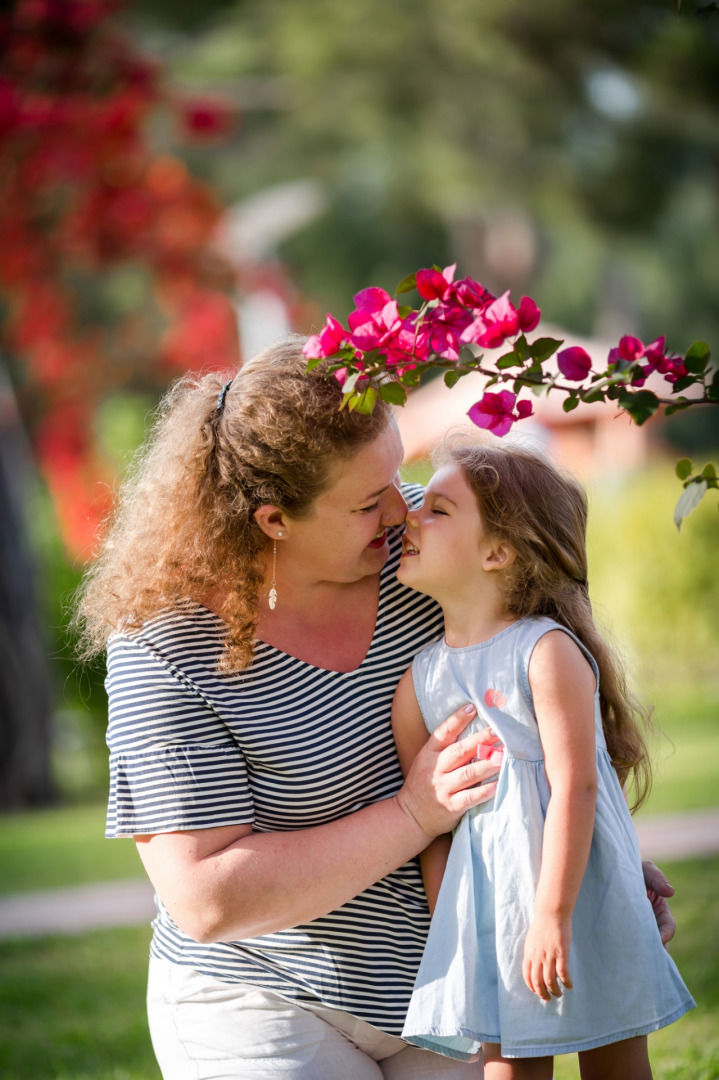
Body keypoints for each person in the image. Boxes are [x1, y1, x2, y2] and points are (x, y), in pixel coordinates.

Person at [75, 337, 677, 1080]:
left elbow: (548, 693)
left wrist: (589, 868)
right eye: (367, 502)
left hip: (453, 976)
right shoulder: (163, 649)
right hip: (264, 997)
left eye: (400, 473)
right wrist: (414, 813)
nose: (403, 508)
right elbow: (206, 897)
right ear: (274, 521)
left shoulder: (435, 546)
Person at [391, 440, 695, 1079]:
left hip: (579, 893)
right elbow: (432, 833)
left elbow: (577, 786)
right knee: (508, 1068)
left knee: (614, 1057)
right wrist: (459, 932)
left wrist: (553, 915)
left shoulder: (544, 651)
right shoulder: (420, 682)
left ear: (497, 553)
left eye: (440, 510)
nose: (411, 516)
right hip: (492, 914)